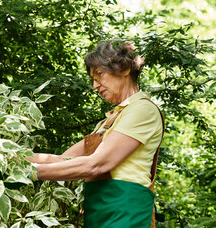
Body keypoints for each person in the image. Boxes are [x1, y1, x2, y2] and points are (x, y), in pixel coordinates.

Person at [27, 40, 165, 228]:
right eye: (92, 79)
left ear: (124, 69)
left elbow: (98, 164)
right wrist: (9, 160)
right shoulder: (109, 121)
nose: (94, 85)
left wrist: (30, 173)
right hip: (101, 216)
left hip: (127, 217)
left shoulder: (142, 109)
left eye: (99, 74)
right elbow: (62, 160)